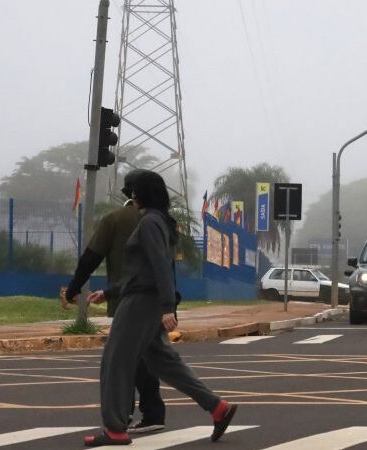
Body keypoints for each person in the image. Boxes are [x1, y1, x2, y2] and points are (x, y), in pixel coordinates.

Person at [83, 171, 237, 447]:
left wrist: (168, 306)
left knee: (115, 361)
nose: (129, 197)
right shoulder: (157, 221)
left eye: (132, 191)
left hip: (141, 303)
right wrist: (108, 292)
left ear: (141, 194)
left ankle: (115, 430)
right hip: (146, 300)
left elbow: (160, 267)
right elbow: (141, 269)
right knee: (163, 362)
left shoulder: (150, 223)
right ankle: (218, 408)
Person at [63, 169, 168, 434]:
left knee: (122, 360)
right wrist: (170, 304)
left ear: (129, 193)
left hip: (128, 301)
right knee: (153, 357)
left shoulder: (115, 219)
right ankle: (204, 406)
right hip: (155, 301)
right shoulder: (162, 220)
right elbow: (165, 266)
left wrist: (73, 288)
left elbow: (90, 258)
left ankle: (125, 417)